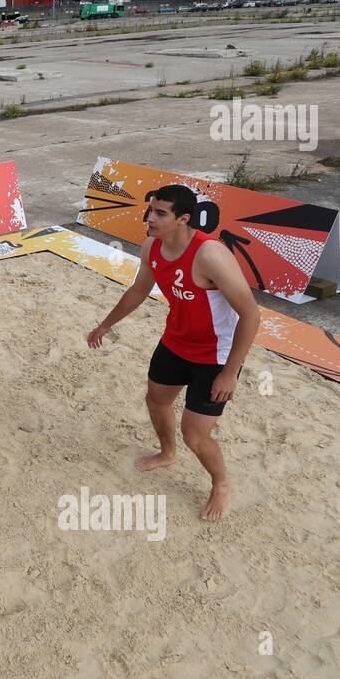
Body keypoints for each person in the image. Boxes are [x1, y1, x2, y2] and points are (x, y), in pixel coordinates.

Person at [86, 184, 260, 522]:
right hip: (176, 342)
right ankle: (167, 453)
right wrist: (106, 325)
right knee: (156, 400)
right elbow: (139, 289)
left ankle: (221, 483)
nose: (150, 218)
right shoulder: (152, 245)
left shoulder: (210, 255)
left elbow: (251, 314)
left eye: (160, 213)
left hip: (215, 355)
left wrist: (230, 372)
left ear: (183, 219)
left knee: (196, 435)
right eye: (150, 210)